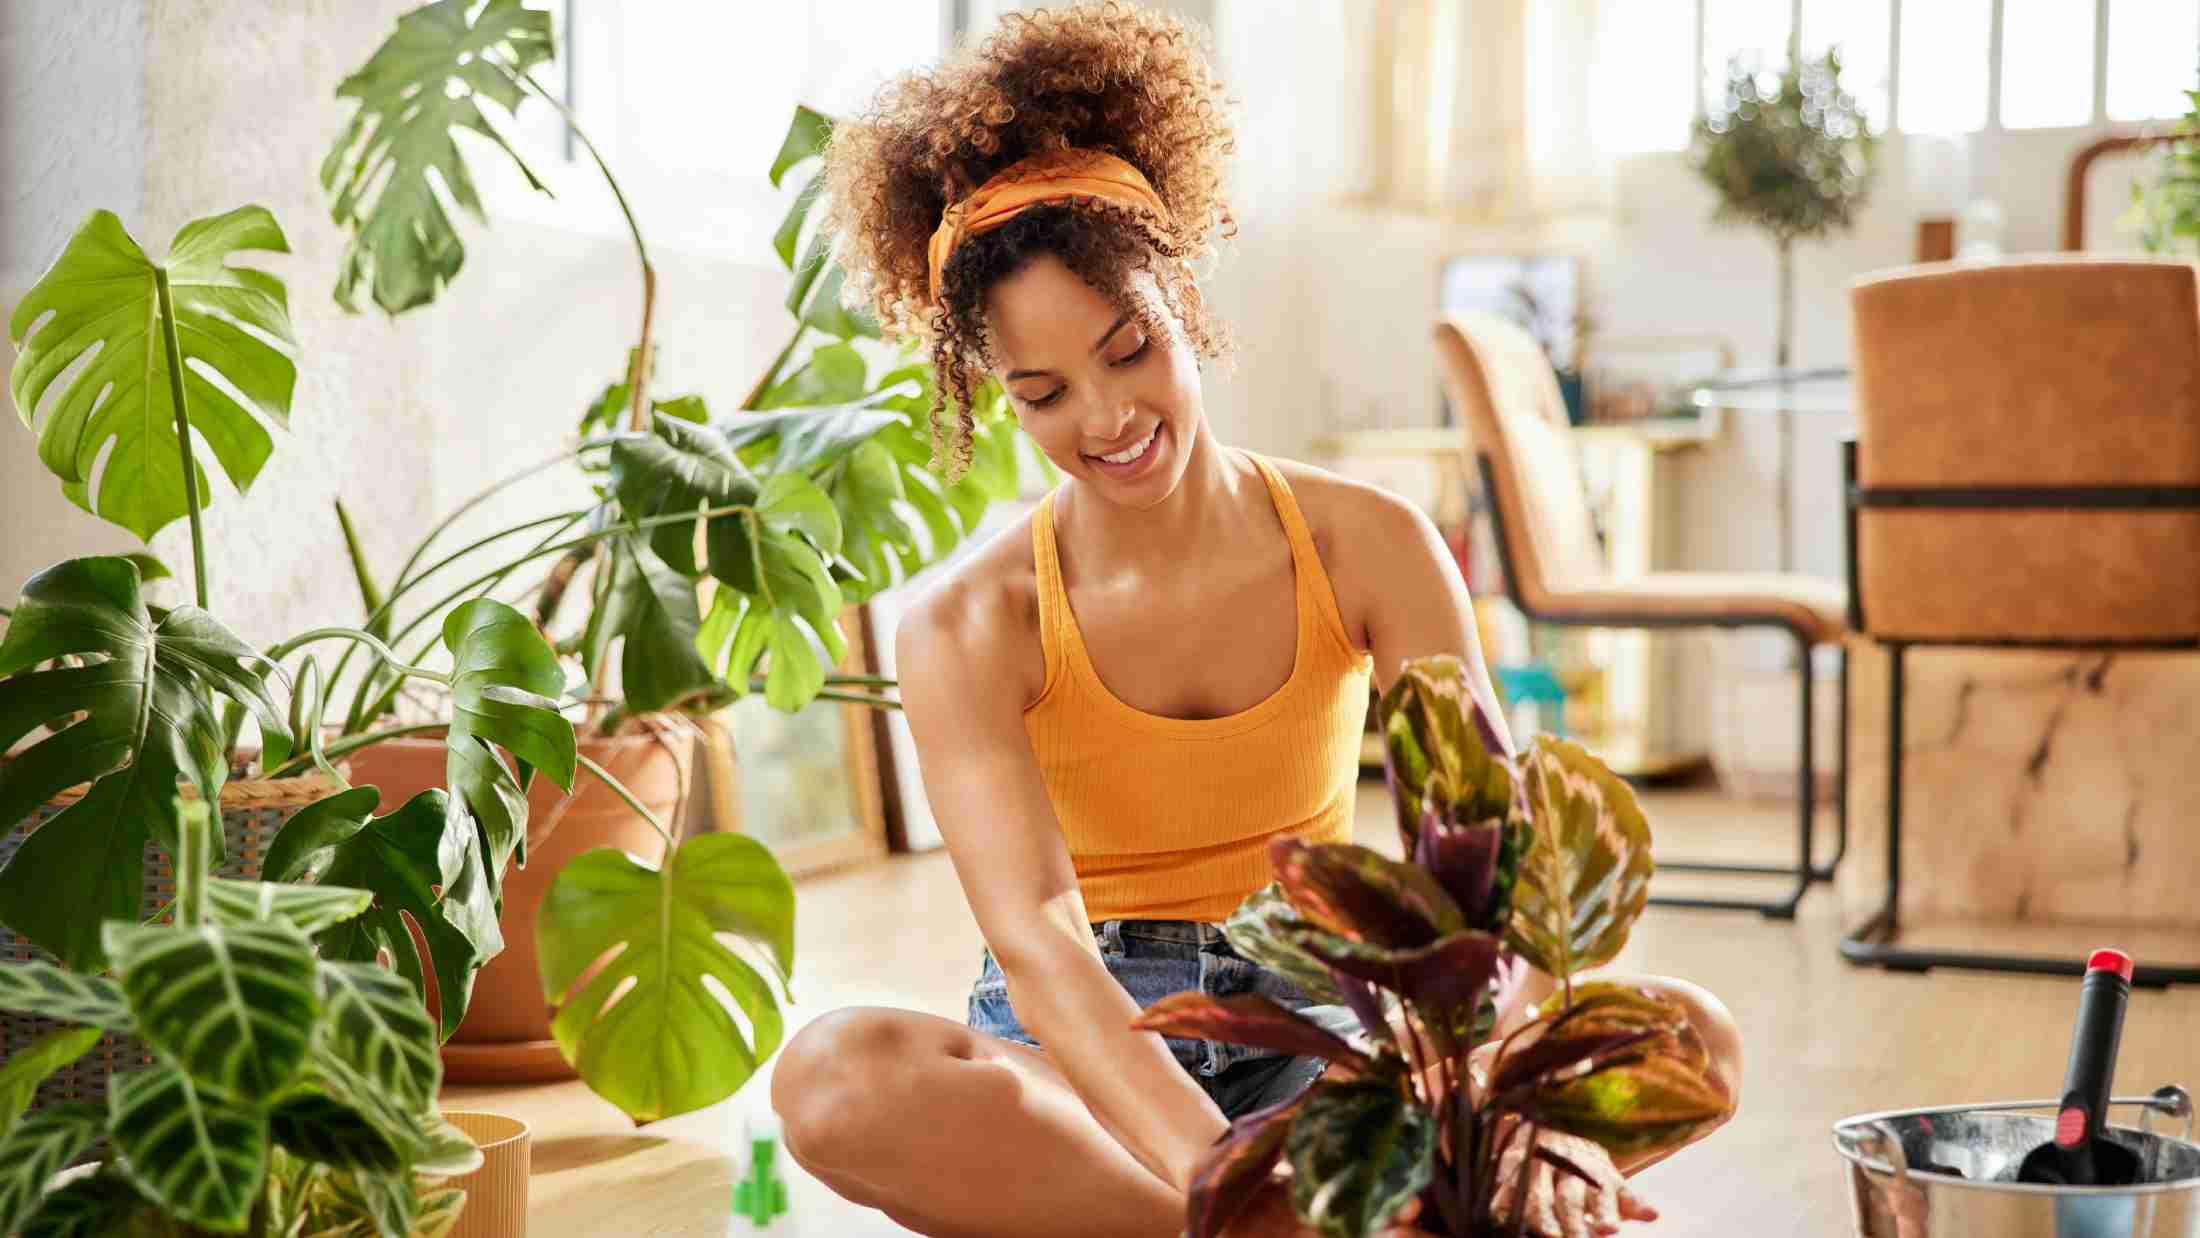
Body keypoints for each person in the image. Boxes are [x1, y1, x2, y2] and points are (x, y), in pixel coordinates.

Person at [769, 5, 1740, 1235]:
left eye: (1129, 349)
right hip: (1088, 1065)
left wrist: (1510, 1091)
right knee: (836, 1078)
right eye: (1043, 391)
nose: (1106, 416)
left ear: (1181, 291)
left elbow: (1486, 860)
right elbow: (1043, 950)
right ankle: (1314, 1220)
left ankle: (1322, 1206)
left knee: (1689, 1036)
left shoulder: (1364, 540)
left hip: (1326, 1033)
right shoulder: (972, 619)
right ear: (991, 394)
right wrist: (1221, 1170)